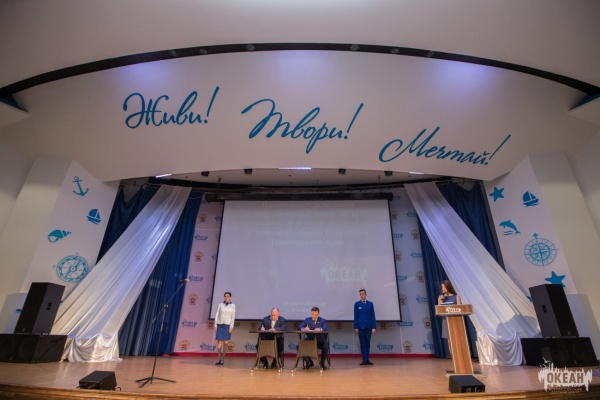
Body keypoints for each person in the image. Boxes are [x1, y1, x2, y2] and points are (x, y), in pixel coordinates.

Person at [437, 280, 461, 355]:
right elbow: (439, 312)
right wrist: (440, 301)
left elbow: (460, 309)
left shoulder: (456, 296)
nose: (443, 289)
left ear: (448, 287)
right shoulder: (440, 297)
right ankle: (453, 356)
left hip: (456, 320)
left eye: (444, 287)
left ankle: (459, 355)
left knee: (457, 338)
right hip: (446, 320)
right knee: (449, 339)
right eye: (442, 287)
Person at [353, 289, 376, 365]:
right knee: (362, 343)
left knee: (367, 343)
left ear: (366, 294)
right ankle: (365, 359)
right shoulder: (357, 304)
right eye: (360, 294)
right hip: (360, 327)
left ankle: (367, 358)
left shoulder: (370, 304)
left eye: (363, 294)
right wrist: (356, 327)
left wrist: (374, 327)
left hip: (368, 327)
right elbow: (355, 316)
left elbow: (373, 316)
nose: (361, 295)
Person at [213, 291, 235, 365]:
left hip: (227, 325)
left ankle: (222, 359)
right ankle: (218, 358)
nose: (226, 297)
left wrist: (231, 327)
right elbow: (217, 315)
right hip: (220, 324)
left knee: (225, 342)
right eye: (225, 296)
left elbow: (233, 317)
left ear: (230, 297)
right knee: (219, 342)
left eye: (228, 296)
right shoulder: (220, 305)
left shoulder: (233, 305)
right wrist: (215, 325)